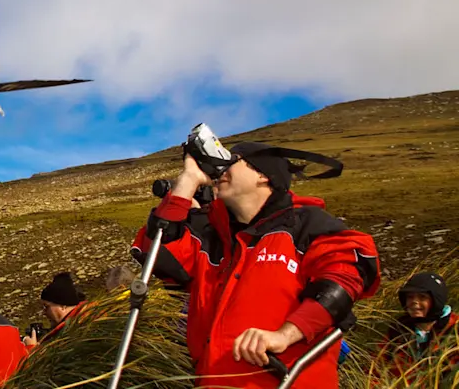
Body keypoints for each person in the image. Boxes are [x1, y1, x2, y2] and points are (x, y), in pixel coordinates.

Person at [130, 141, 381, 389]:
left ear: (263, 175)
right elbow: (156, 254)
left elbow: (345, 279)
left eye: (233, 161)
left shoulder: (307, 227)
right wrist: (187, 182)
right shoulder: (213, 237)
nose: (222, 170)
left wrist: (286, 335)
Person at [378, 271, 458, 383]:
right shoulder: (398, 330)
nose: (414, 302)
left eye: (422, 297)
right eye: (410, 297)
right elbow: (376, 369)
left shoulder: (455, 331)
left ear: (436, 300)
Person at [23, 272, 88, 347]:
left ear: (63, 305)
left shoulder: (77, 331)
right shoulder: (85, 318)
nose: (44, 312)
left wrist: (31, 348)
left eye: (46, 307)